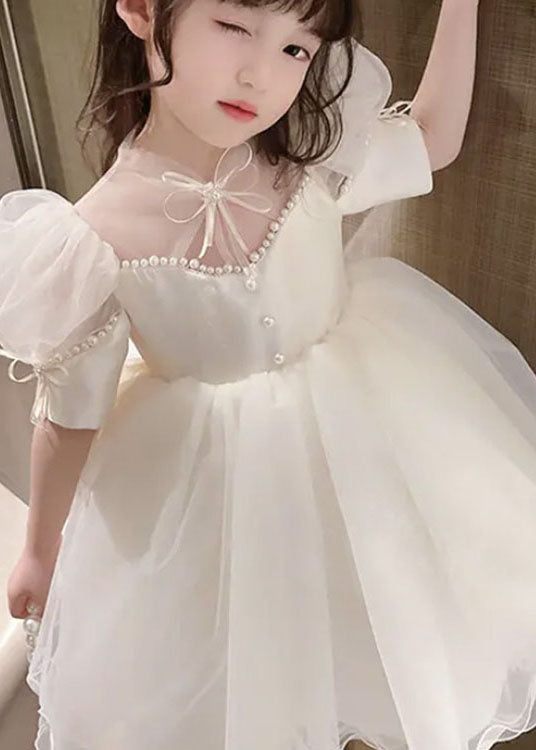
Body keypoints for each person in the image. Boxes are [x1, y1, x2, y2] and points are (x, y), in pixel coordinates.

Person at [2, 0, 536, 748]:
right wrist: (39, 551)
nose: (262, 75)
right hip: (210, 493)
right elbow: (70, 417)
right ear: (142, 10)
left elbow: (432, 138)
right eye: (234, 26)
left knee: (381, 627)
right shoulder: (94, 237)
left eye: (297, 50)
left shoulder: (312, 154)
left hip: (369, 440)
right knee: (255, 671)